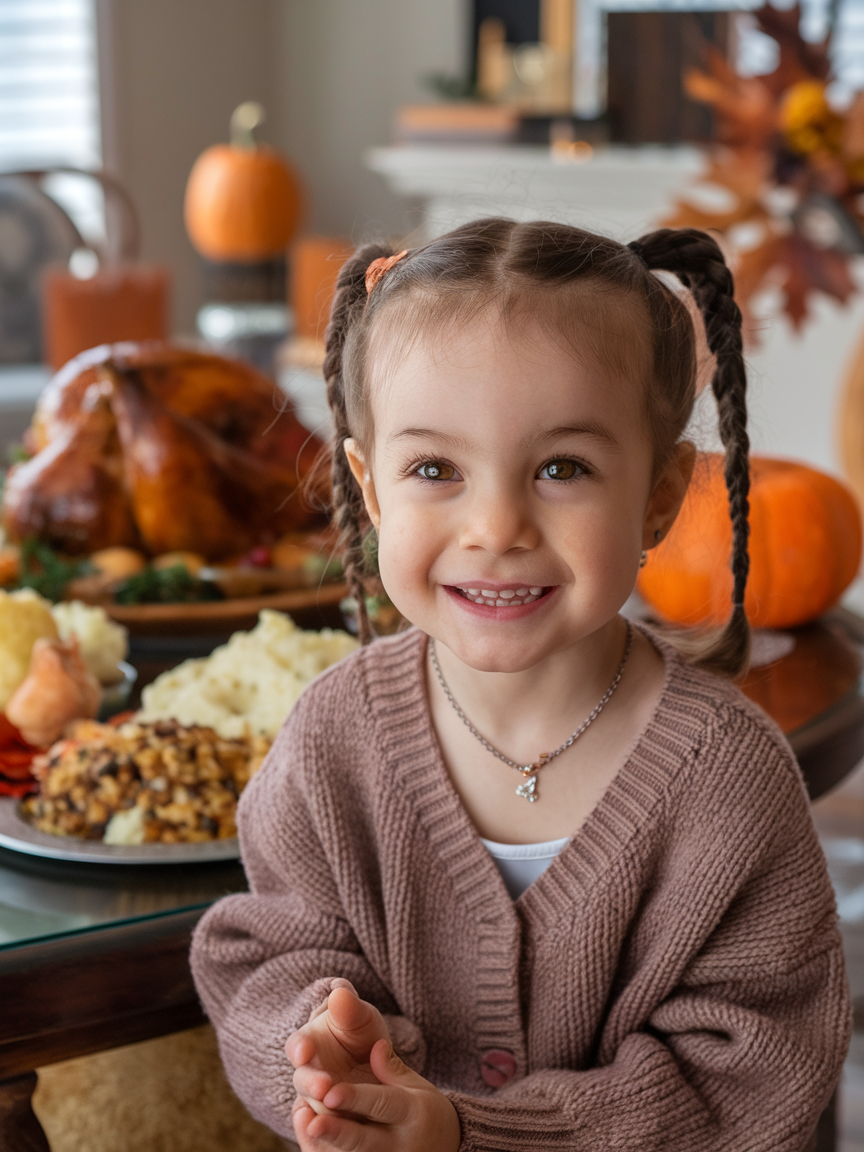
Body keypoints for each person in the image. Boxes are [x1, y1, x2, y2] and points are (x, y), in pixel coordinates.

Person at [191, 219, 849, 1151]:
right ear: (372, 491)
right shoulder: (334, 736)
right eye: (434, 469)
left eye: (561, 468)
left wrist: (472, 1131)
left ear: (661, 495)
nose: (496, 526)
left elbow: (749, 1072)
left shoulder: (729, 779)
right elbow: (267, 954)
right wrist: (320, 1047)